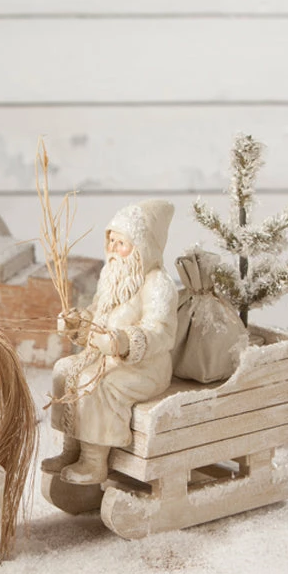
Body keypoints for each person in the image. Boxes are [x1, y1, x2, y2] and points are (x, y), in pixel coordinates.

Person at [43, 199, 178, 485]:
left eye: (122, 243)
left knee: (96, 382)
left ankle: (94, 461)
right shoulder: (111, 275)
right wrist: (78, 322)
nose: (114, 249)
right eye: (112, 241)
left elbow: (162, 332)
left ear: (141, 247)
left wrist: (123, 342)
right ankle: (71, 448)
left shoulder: (157, 283)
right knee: (64, 370)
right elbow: (98, 313)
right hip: (104, 357)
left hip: (145, 367)